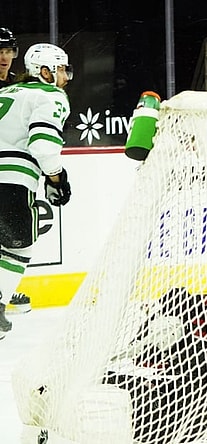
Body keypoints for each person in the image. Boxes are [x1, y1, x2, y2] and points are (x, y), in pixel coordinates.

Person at [0, 43, 73, 339]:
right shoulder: (50, 94)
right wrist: (56, 177)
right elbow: (43, 145)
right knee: (19, 243)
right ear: (44, 72)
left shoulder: (4, 92)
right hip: (11, 181)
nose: (66, 77)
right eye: (61, 70)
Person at [0, 27, 34, 314]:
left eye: (8, 51)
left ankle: (3, 289)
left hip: (9, 171)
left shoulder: (19, 87)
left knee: (12, 234)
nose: (4, 57)